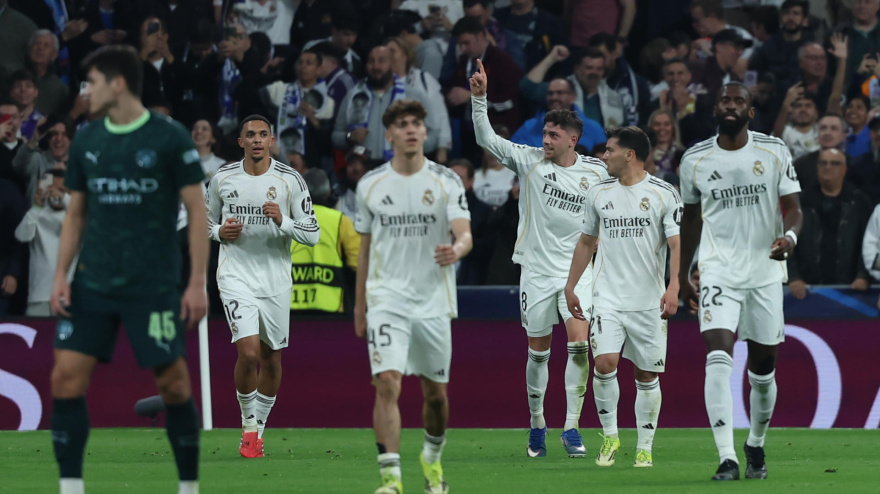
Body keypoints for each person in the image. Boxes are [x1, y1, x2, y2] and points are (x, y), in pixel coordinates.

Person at [47, 45, 209, 494]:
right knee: (65, 377)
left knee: (174, 385)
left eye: (92, 82)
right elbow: (76, 214)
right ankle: (71, 486)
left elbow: (197, 211)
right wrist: (61, 274)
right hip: (93, 281)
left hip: (152, 284)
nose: (86, 91)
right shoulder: (88, 139)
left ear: (117, 84)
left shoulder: (169, 137)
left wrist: (195, 283)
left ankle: (189, 487)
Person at [471, 59, 610, 458]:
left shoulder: (597, 174)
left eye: (553, 135)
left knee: (580, 345)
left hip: (578, 273)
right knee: (538, 351)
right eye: (545, 133)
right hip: (535, 271)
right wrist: (481, 98)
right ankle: (536, 423)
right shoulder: (529, 160)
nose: (545, 139)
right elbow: (487, 140)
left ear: (573, 139)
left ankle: (571, 427)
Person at [678, 82, 803, 481]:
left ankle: (756, 443)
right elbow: (692, 219)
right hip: (718, 269)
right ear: (715, 109)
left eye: (739, 101)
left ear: (751, 112)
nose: (730, 105)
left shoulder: (773, 150)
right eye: (724, 100)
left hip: (765, 270)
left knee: (763, 371)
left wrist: (790, 238)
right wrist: (680, 273)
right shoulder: (694, 159)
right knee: (718, 355)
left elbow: (796, 209)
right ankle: (727, 457)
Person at [353, 99, 472, 494]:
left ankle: (432, 460)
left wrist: (456, 249)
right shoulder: (370, 185)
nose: (409, 129)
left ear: (425, 132)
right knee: (387, 383)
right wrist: (360, 306)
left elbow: (464, 232)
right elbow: (365, 249)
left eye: (416, 123)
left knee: (435, 396)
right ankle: (391, 479)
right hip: (387, 299)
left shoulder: (445, 181)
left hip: (433, 301)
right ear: (388, 134)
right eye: (401, 124)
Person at [564, 126, 682, 468]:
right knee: (604, 363)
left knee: (646, 375)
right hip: (608, 298)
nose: (604, 156)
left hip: (649, 300)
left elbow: (676, 244)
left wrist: (674, 285)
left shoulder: (664, 193)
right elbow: (586, 241)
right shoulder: (598, 193)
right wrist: (572, 286)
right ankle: (611, 437)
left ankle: (644, 446)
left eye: (610, 150)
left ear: (629, 155)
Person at [205, 114, 320, 458]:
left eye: (263, 135)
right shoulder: (222, 178)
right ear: (240, 142)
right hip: (235, 275)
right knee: (249, 352)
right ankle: (248, 427)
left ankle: (260, 429)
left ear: (272, 141)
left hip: (275, 280)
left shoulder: (290, 180)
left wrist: (283, 221)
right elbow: (204, 221)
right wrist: (217, 233)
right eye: (250, 135)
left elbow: (311, 234)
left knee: (270, 359)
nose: (257, 140)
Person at [786, 148, 872, 299]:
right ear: (817, 167)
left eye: (835, 163)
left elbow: (870, 243)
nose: (828, 167)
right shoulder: (799, 202)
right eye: (823, 163)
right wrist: (792, 277)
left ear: (845, 169)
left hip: (850, 290)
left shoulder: (859, 202)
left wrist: (863, 275)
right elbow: (785, 240)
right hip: (805, 290)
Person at [291, 168, 360, 313]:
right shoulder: (341, 221)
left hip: (289, 308)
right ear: (328, 193)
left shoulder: (284, 221)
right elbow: (358, 264)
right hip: (331, 307)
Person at [15, 167, 73, 316]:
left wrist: (65, 198)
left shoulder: (76, 220)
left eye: (61, 190)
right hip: (38, 297)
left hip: (67, 298)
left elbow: (84, 227)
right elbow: (22, 236)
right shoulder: (37, 214)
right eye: (51, 189)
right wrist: (36, 206)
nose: (55, 194)